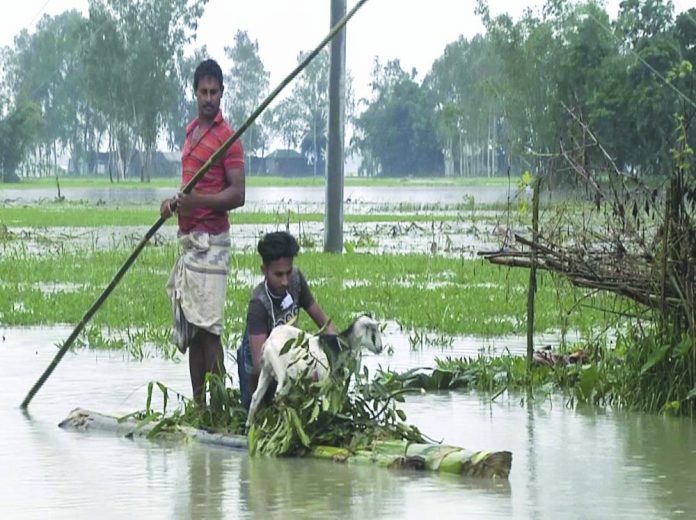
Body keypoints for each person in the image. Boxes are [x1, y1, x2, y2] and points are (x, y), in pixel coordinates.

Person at [160, 58, 245, 405]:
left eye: (214, 92)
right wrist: (173, 204)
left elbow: (237, 194)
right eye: (203, 91)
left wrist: (198, 203)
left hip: (212, 242)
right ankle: (200, 405)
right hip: (189, 242)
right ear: (195, 93)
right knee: (195, 327)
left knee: (210, 327)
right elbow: (187, 190)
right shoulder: (191, 132)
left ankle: (220, 401)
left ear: (222, 94)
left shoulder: (229, 139)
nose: (209, 98)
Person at [237, 231, 336, 409]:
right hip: (260, 365)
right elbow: (260, 365)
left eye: (288, 272)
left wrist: (338, 354)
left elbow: (324, 323)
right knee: (259, 409)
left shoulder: (296, 280)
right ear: (264, 271)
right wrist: (297, 377)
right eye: (278, 274)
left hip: (287, 356)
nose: (285, 281)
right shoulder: (258, 304)